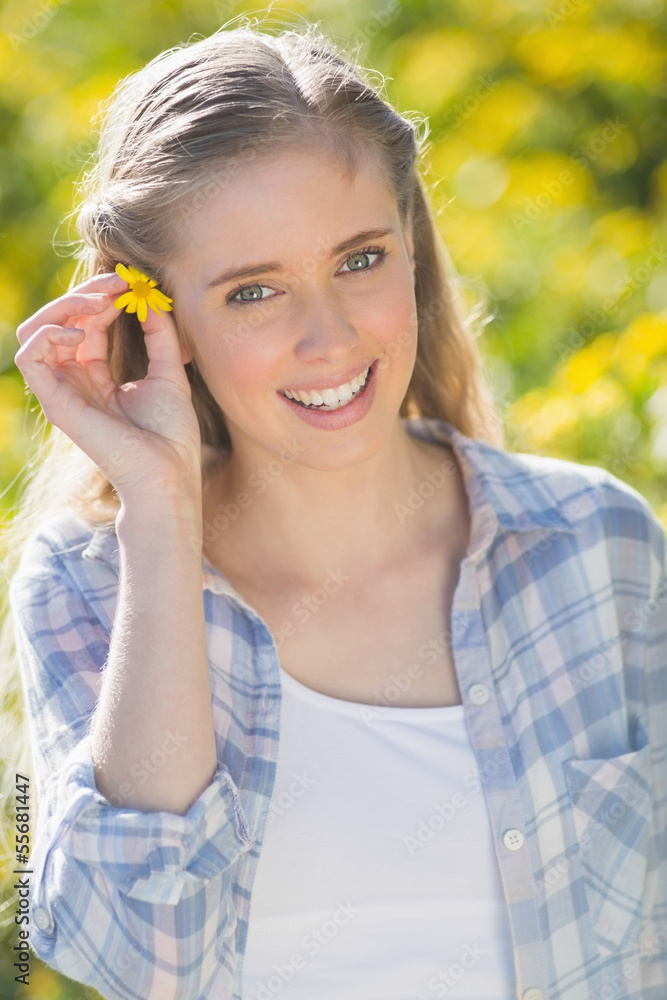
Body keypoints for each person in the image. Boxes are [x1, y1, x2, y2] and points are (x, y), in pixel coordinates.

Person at [5, 16, 666, 1000]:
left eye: (359, 260)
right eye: (253, 291)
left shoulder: (598, 548)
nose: (329, 338)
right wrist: (159, 507)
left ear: (411, 248)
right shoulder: (88, 583)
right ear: (159, 317)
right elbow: (147, 961)